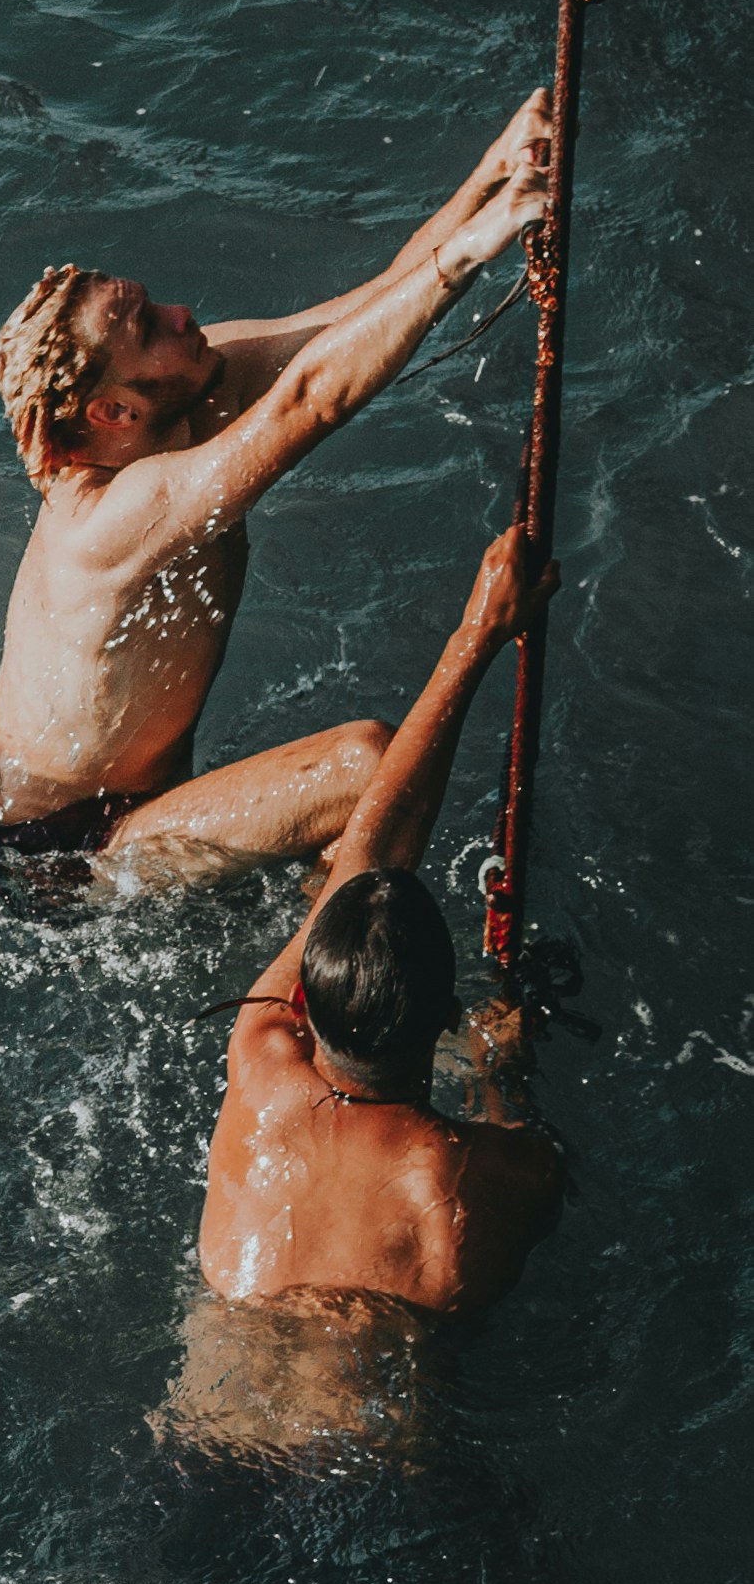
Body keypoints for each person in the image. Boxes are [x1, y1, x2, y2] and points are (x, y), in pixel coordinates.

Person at [0, 88, 551, 876]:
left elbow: (361, 314)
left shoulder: (193, 384)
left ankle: (330, 893)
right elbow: (311, 400)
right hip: (65, 852)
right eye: (148, 327)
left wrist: (493, 176)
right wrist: (467, 252)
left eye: (151, 303)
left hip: (148, 798)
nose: (182, 315)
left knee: (356, 787)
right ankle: (334, 942)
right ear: (111, 411)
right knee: (364, 764)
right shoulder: (110, 517)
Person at [197, 524, 564, 1321]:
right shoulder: (486, 1176)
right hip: (393, 1399)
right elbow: (531, 1170)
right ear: (445, 1016)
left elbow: (368, 850)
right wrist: (498, 1070)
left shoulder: (259, 1063)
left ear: (301, 1005)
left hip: (215, 1389)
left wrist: (476, 630)